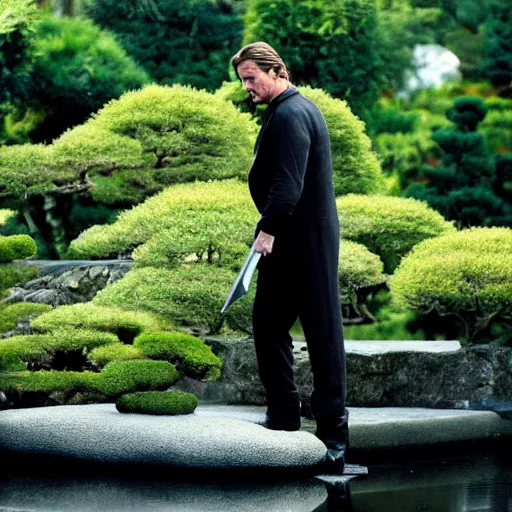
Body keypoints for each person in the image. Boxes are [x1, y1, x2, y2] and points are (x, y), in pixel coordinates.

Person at [231, 42, 349, 472]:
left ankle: (334, 436)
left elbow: (288, 183)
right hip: (286, 240)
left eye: (251, 78)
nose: (247, 87)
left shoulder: (294, 112)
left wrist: (267, 230)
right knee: (267, 323)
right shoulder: (283, 111)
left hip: (306, 240)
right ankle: (283, 414)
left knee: (322, 333)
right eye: (243, 80)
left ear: (276, 70)